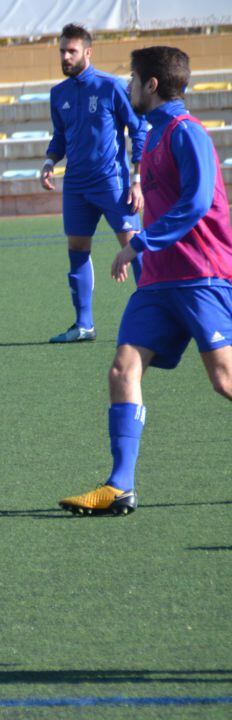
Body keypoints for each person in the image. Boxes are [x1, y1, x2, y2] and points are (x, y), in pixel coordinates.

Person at [59, 46, 232, 516]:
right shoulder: (152, 136)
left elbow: (196, 203)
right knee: (123, 368)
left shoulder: (187, 133)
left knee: (224, 379)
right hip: (158, 281)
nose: (128, 87)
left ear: (151, 84)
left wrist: (138, 243)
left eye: (133, 80)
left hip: (201, 276)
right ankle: (120, 485)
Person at [41, 23, 148, 344]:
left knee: (135, 248)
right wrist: (49, 161)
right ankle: (83, 324)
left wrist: (138, 178)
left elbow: (138, 127)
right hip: (75, 186)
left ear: (87, 52)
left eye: (71, 51)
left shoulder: (109, 87)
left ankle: (156, 320)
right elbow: (61, 136)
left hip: (112, 184)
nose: (65, 56)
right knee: (76, 248)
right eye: (62, 50)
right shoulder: (57, 94)